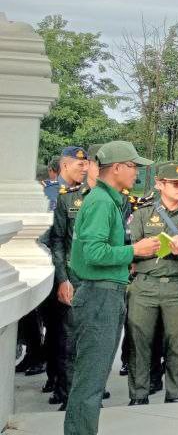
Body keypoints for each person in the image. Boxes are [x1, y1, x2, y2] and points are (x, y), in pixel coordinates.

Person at [65, 141, 159, 435]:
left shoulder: (107, 200)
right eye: (133, 166)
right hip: (99, 296)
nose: (137, 172)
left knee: (93, 379)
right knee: (90, 381)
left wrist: (133, 253)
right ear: (117, 168)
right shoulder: (102, 202)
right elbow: (93, 253)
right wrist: (134, 251)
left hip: (105, 293)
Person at [125, 161, 178, 405]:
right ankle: (138, 395)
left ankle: (175, 395)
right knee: (139, 342)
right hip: (145, 285)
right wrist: (151, 247)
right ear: (160, 184)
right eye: (176, 183)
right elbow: (130, 246)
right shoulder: (143, 212)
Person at [44, 145, 94, 407]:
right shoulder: (52, 192)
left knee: (70, 334)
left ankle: (69, 384)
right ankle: (58, 381)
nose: (84, 168)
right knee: (58, 332)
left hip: (76, 273)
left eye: (86, 164)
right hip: (53, 269)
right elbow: (52, 237)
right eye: (79, 164)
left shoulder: (86, 194)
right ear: (64, 165)